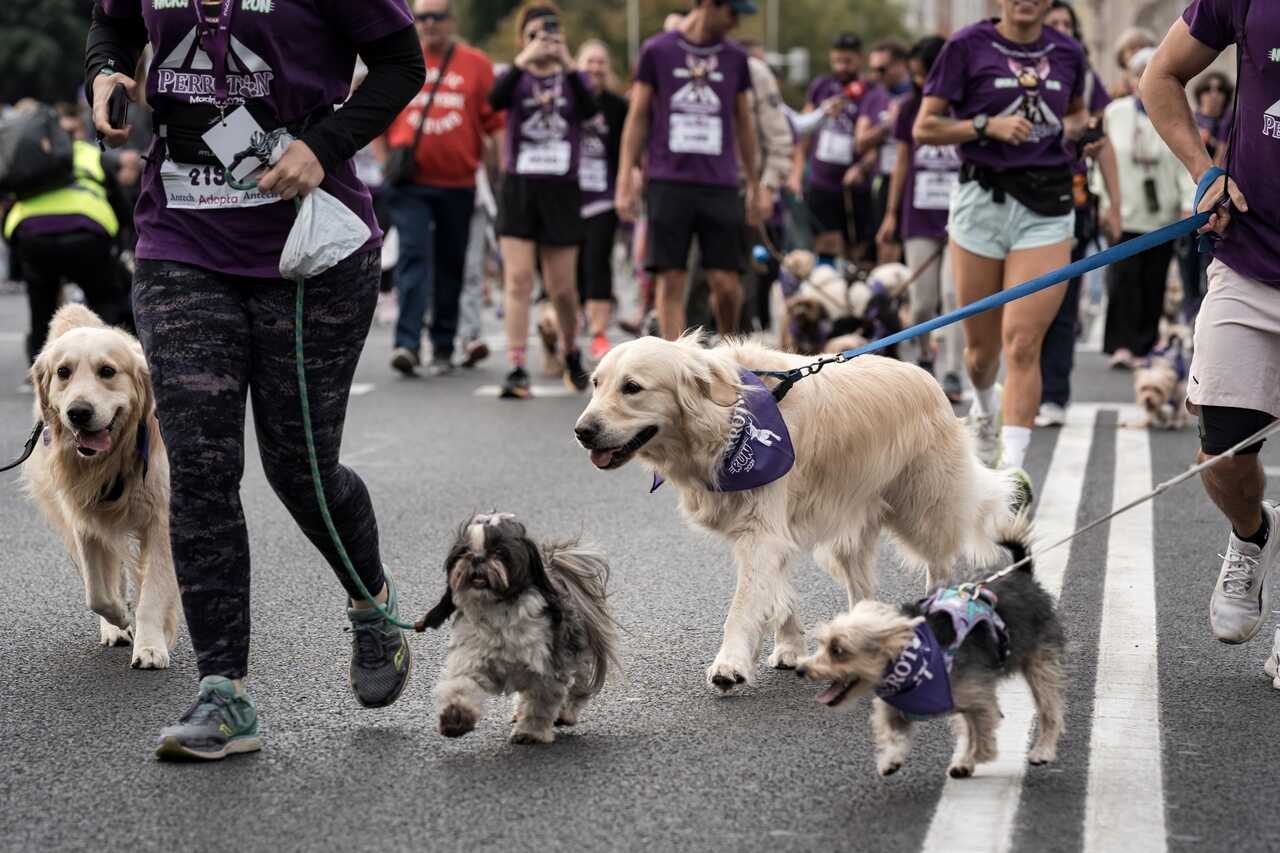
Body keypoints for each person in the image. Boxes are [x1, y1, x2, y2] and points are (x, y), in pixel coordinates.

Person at [86, 0, 425, 760]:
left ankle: (371, 600)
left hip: (309, 245)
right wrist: (105, 73)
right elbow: (112, 25)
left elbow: (403, 63)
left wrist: (322, 145)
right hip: (182, 241)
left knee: (300, 466)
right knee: (200, 468)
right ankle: (223, 691)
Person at [1142, 0, 1280, 671]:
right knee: (1221, 455)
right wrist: (1205, 173)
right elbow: (1160, 76)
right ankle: (1252, 534)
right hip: (1250, 258)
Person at [915, 0, 1093, 478]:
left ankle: (1011, 475)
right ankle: (983, 405)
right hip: (982, 201)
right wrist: (984, 125)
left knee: (1023, 342)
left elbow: (1076, 113)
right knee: (981, 353)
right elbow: (924, 127)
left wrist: (1082, 131)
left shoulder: (1068, 52)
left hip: (1047, 205)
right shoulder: (966, 46)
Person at [616, 0, 761, 341]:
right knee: (671, 279)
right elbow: (638, 115)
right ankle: (675, 360)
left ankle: (728, 352)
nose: (735, 23)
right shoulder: (657, 50)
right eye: (732, 13)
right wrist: (625, 174)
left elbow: (743, 121)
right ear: (709, 5)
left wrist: (755, 183)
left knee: (726, 283)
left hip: (720, 182)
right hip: (668, 180)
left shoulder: (735, 57)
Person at [384, 0, 504, 377]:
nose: (429, 24)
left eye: (437, 17)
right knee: (414, 257)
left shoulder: (477, 64)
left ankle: (442, 344)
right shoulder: (398, 56)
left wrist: (501, 175)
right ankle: (406, 344)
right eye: (422, 17)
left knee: (451, 264)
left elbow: (495, 124)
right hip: (411, 185)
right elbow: (376, 112)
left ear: (451, 20)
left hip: (458, 184)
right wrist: (386, 160)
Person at [489, 3, 597, 399]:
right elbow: (493, 101)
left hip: (561, 189)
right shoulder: (514, 75)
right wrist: (524, 60)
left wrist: (567, 62)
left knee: (562, 289)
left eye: (551, 34)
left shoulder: (572, 77)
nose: (544, 42)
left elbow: (591, 110)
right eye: (535, 35)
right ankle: (517, 365)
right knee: (518, 280)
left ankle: (571, 350)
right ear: (523, 40)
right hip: (519, 187)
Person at [1035, 0, 1123, 428]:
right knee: (1021, 306)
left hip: (1069, 205)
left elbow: (1102, 146)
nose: (1059, 28)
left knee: (1062, 303)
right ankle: (1017, 390)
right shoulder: (1014, 71)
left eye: (1066, 23)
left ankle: (1054, 393)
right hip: (1016, 203)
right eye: (1051, 22)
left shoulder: (1084, 77)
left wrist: (1115, 206)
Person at [4, 101, 132, 366]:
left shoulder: (31, 162)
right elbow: (122, 205)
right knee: (105, 301)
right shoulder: (89, 153)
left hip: (33, 237)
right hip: (87, 234)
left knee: (42, 310)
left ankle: (40, 371)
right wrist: (123, 245)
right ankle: (111, 363)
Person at [876, 36, 965, 401]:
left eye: (923, 74)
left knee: (953, 295)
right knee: (923, 300)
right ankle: (926, 357)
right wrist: (891, 214)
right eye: (914, 75)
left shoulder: (966, 105)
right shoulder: (910, 107)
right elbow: (900, 162)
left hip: (961, 217)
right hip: (919, 216)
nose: (918, 82)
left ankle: (954, 371)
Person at [1098, 47, 1184, 369]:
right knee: (1123, 280)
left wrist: (1188, 202)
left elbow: (1183, 159)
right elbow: (1102, 159)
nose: (1143, 79)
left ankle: (1145, 346)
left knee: (1153, 280)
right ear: (1131, 79)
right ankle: (1121, 345)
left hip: (1162, 215)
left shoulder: (1175, 110)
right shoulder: (1115, 112)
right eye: (1139, 74)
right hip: (1125, 211)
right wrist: (1105, 201)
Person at [788, 33, 865, 267]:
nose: (842, 67)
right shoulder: (821, 85)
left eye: (848, 61)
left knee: (857, 247)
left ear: (860, 59)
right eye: (837, 61)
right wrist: (796, 173)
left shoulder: (869, 90)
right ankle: (826, 280)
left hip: (854, 184)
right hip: (821, 180)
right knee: (825, 241)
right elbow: (803, 132)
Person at [575, 39, 628, 360]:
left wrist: (627, 184)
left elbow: (625, 149)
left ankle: (598, 332)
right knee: (571, 264)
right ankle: (570, 323)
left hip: (603, 196)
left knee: (598, 260)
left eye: (600, 62)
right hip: (567, 196)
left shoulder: (616, 106)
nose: (595, 68)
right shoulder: (566, 98)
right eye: (589, 62)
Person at [1176, 69, 1234, 324]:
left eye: (1220, 90)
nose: (1214, 95)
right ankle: (1190, 314)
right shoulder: (1191, 123)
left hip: (1219, 209)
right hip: (1189, 206)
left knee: (1211, 269)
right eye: (1208, 89)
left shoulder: (1230, 125)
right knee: (1188, 269)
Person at [858, 39, 912, 264]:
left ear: (901, 65)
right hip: (887, 180)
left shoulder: (919, 94)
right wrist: (889, 124)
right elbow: (861, 142)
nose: (876, 75)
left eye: (882, 69)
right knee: (887, 246)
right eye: (872, 69)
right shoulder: (875, 97)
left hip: (916, 182)